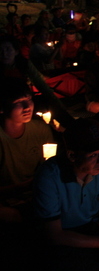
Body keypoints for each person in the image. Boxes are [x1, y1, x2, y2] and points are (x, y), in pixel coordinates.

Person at [34, 118, 99, 271]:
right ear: (72, 155)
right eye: (93, 155)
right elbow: (54, 233)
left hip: (95, 223)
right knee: (63, 258)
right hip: (67, 234)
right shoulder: (49, 176)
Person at [0, 78, 53, 223]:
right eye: (18, 103)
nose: (27, 107)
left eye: (29, 100)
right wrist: (25, 186)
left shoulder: (40, 129)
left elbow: (50, 166)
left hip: (36, 194)